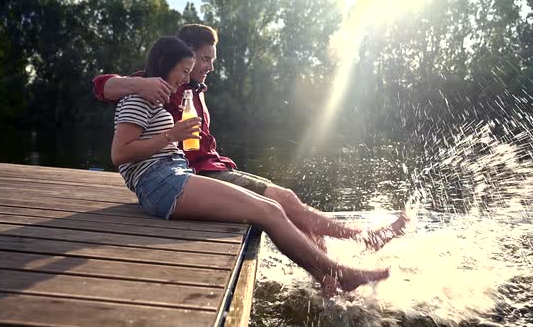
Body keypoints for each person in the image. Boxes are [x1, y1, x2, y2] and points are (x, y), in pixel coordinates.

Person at [112, 35, 390, 292]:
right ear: (164, 64)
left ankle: (330, 276)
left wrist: (172, 139)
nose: (186, 78)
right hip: (162, 184)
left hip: (173, 176)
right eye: (183, 71)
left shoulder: (158, 98)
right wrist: (171, 135)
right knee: (269, 212)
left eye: (189, 71)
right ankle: (341, 274)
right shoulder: (138, 97)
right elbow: (120, 155)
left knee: (272, 208)